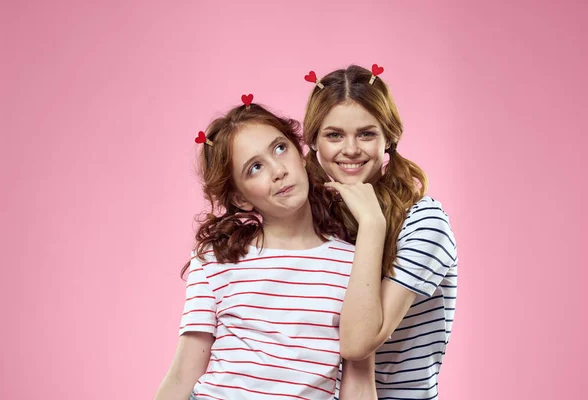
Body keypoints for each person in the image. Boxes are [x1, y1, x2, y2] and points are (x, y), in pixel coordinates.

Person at [155, 100, 376, 400]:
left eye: (280, 149)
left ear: (300, 154)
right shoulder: (216, 259)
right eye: (255, 167)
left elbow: (359, 384)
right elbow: (183, 373)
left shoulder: (353, 262)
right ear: (241, 198)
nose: (277, 171)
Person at [303, 65, 458, 399]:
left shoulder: (424, 223)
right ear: (313, 140)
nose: (351, 149)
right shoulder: (308, 218)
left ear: (389, 138)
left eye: (366, 133)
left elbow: (357, 342)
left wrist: (373, 224)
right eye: (334, 135)